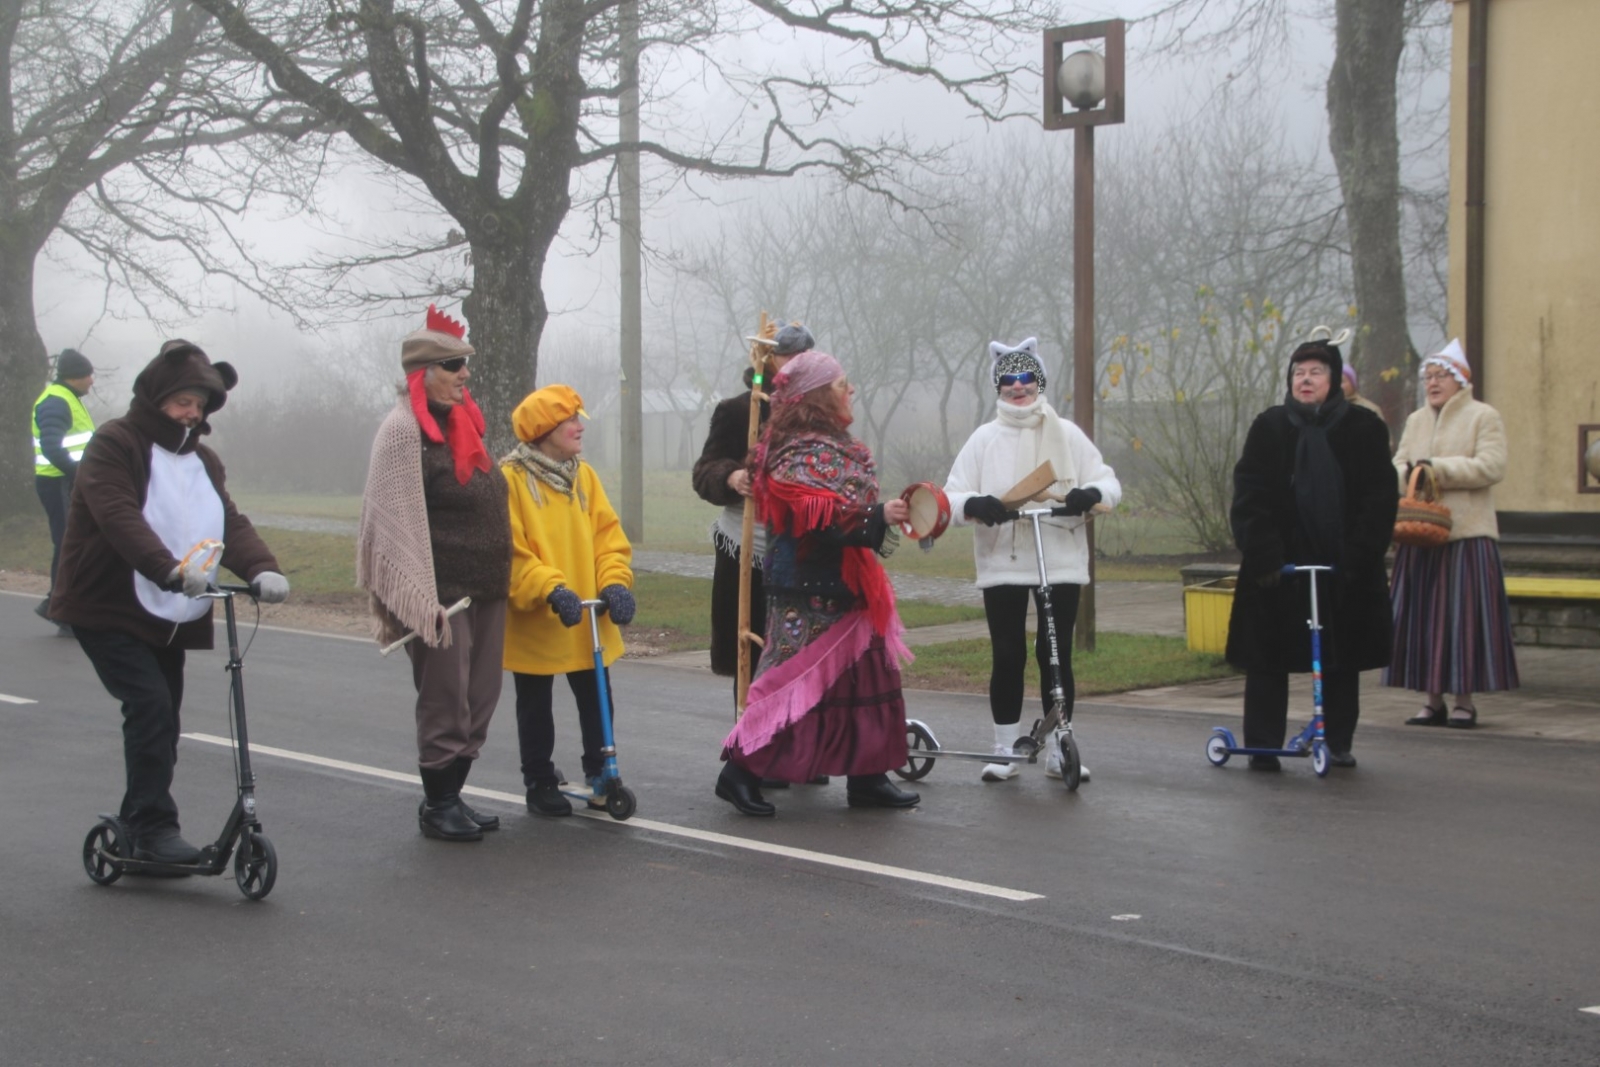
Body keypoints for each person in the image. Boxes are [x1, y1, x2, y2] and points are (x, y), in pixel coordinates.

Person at [51, 340, 290, 866]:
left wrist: (261, 567)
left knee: (163, 717)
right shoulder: (116, 443)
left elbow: (226, 519)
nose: (192, 412)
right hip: (108, 603)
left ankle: (139, 824)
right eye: (183, 401)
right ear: (157, 396)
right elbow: (117, 516)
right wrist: (167, 569)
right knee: (150, 707)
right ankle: (154, 826)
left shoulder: (202, 459)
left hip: (172, 610)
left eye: (200, 405)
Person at [715, 350, 919, 816]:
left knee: (863, 677)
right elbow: (817, 517)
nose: (851, 390)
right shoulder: (796, 451)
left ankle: (868, 777)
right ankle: (739, 773)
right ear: (817, 395)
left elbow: (844, 511)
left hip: (850, 587)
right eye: (842, 383)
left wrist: (883, 514)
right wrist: (877, 513)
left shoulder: (836, 444)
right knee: (789, 680)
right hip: (806, 587)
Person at [357, 306, 510, 842]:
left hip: (487, 587)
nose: (463, 374)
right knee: (446, 699)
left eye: (464, 364)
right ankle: (437, 804)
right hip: (440, 596)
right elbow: (391, 517)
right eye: (451, 366)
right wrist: (417, 596)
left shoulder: (465, 421)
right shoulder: (403, 432)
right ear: (423, 373)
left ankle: (455, 796)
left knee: (481, 697)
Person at [942, 338, 1121, 782]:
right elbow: (950, 496)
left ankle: (1060, 746)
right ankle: (1004, 749)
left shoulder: (1068, 434)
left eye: (1026, 379)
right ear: (997, 387)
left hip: (1057, 556)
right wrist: (974, 504)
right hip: (1003, 557)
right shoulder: (984, 438)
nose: (1018, 387)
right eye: (1008, 380)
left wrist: (1090, 494)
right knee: (1008, 653)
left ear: (1039, 381)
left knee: (1053, 653)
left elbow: (1108, 483)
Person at [1226, 337, 1398, 769]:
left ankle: (1337, 741)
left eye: (1316, 372)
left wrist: (1360, 555)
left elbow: (1380, 498)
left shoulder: (1364, 428)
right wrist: (1264, 555)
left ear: (1335, 379)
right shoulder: (1269, 427)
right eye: (1299, 372)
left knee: (1342, 656)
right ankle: (1264, 746)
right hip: (1280, 566)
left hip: (1341, 564)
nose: (1306, 379)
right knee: (1267, 659)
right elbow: (1250, 495)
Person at [501, 385, 636, 817]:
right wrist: (550, 588)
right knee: (535, 701)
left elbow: (608, 540)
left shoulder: (584, 477)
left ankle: (601, 772)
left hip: (589, 616)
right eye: (571, 421)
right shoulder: (510, 480)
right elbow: (511, 551)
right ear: (544, 431)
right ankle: (538, 778)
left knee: (597, 694)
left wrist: (615, 583)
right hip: (542, 612)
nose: (580, 428)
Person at [1386, 339, 1518, 728]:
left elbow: (1492, 466)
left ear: (1460, 379)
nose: (1432, 383)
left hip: (1466, 536)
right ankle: (1431, 701)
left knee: (1462, 622)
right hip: (1420, 534)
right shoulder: (1415, 420)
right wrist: (1409, 473)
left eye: (1440, 376)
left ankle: (1464, 701)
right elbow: (1396, 464)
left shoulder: (1483, 416)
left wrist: (1437, 468)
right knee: (1424, 620)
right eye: (1428, 377)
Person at [692, 323, 813, 682]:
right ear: (770, 359)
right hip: (747, 551)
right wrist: (731, 476)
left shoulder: (818, 411)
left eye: (804, 358)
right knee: (752, 661)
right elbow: (704, 471)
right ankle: (748, 735)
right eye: (789, 357)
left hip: (800, 551)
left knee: (797, 659)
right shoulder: (737, 410)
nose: (796, 365)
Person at [32, 348, 96, 632]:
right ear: (75, 377)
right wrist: (77, 473)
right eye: (88, 375)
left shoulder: (68, 398)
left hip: (67, 481)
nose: (92, 380)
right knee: (69, 543)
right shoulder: (57, 401)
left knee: (74, 543)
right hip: (58, 482)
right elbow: (51, 447)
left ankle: (58, 605)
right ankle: (61, 609)